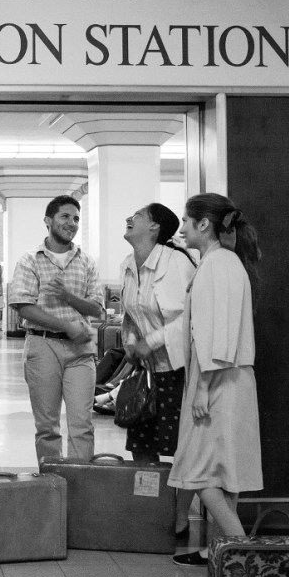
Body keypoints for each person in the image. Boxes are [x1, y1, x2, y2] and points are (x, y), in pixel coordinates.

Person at [168, 193, 263, 567]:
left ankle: (241, 549)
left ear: (203, 224)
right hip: (228, 377)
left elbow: (214, 333)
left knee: (199, 470)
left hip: (217, 380)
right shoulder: (223, 262)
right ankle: (216, 552)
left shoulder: (217, 265)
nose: (183, 229)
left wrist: (203, 388)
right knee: (225, 471)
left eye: (186, 222)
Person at [119, 203, 198, 539]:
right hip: (147, 372)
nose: (129, 218)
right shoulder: (127, 264)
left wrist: (149, 342)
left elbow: (187, 317)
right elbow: (131, 313)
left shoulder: (176, 262)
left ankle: (180, 517)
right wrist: (131, 342)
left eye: (137, 215)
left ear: (154, 228)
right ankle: (152, 507)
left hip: (177, 370)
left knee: (183, 448)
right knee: (142, 442)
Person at [8, 194, 104, 463]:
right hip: (42, 345)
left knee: (82, 425)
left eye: (75, 218)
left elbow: (97, 308)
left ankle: (80, 486)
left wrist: (67, 297)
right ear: (48, 221)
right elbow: (23, 305)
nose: (71, 223)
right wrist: (66, 325)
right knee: (47, 427)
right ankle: (54, 484)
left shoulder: (86, 261)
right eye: (65, 216)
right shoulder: (30, 259)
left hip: (81, 350)